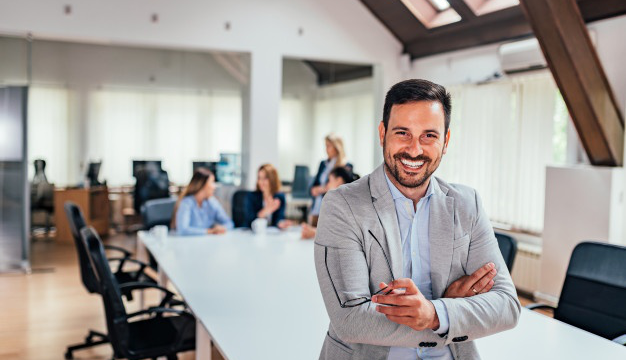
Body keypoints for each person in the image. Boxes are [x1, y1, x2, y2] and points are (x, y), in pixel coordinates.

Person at [313, 79, 520, 360]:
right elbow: (351, 319)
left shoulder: (466, 204)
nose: (414, 150)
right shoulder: (343, 205)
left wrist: (433, 313)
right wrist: (448, 312)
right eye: (403, 133)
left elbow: (506, 306)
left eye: (429, 136)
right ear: (382, 133)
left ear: (445, 141)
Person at [172, 168, 234, 235]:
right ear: (203, 185)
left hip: (206, 241)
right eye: (212, 182)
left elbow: (229, 223)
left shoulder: (212, 202)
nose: (214, 186)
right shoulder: (186, 203)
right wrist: (210, 231)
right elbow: (183, 230)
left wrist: (222, 228)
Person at [301, 166, 358, 239]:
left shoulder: (348, 203)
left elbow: (343, 234)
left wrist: (314, 233)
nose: (327, 185)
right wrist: (313, 231)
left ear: (339, 181)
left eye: (329, 181)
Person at [309, 133, 351, 226]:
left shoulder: (345, 166)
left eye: (328, 146)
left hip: (332, 211)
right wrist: (317, 189)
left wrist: (321, 189)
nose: (326, 149)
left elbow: (342, 189)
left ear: (336, 147)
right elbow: (314, 186)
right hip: (317, 207)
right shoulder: (323, 164)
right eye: (325, 146)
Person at [245, 163, 286, 228]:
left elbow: (279, 219)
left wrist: (282, 224)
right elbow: (249, 221)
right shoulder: (252, 196)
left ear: (272, 179)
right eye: (259, 178)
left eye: (265, 178)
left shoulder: (280, 197)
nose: (261, 182)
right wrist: (265, 211)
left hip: (272, 235)